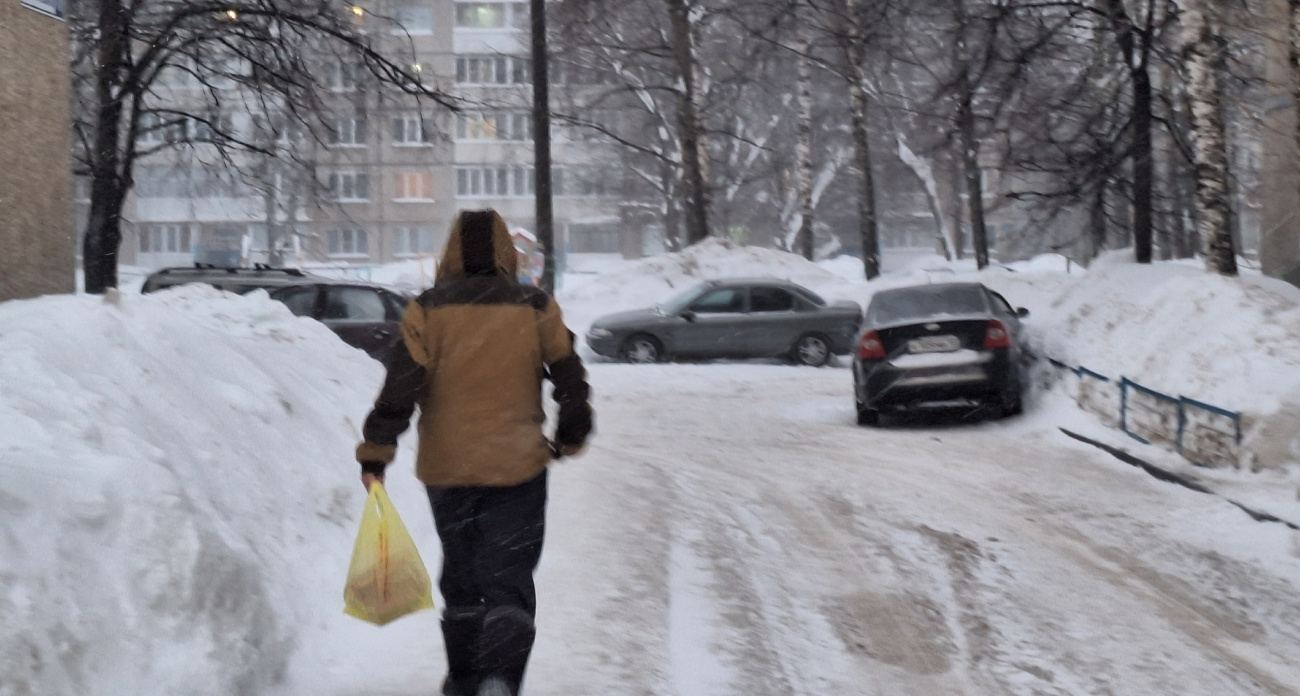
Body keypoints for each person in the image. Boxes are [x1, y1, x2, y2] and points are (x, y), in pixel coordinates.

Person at [355, 210, 593, 696]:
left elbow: (401, 386)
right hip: (518, 467)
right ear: (507, 250)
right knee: (508, 578)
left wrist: (376, 450)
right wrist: (571, 432)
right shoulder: (534, 305)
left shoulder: (427, 309)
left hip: (448, 469)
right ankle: (500, 681)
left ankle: (464, 680)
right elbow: (568, 373)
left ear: (451, 251)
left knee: (462, 576)